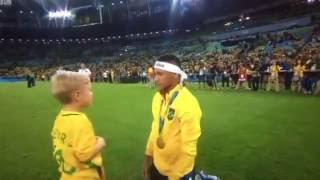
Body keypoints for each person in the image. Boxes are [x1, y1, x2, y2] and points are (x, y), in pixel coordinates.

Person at [142, 55, 202, 180]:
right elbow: (155, 130)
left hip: (178, 173)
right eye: (155, 74)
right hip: (158, 166)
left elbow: (189, 149)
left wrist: (175, 176)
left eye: (160, 74)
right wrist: (148, 157)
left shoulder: (188, 104)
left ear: (175, 75)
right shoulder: (157, 97)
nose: (155, 79)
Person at [51, 71, 106, 180]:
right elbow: (84, 155)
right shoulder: (80, 120)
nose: (92, 93)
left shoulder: (60, 117)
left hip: (67, 175)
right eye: (89, 90)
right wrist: (101, 143)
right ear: (77, 95)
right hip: (84, 176)